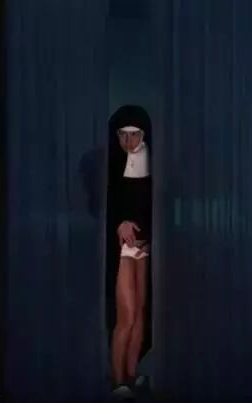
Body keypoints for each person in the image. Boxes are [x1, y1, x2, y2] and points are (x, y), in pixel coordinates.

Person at [107, 106, 153, 398]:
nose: (128, 140)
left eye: (133, 134)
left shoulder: (154, 161)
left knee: (139, 315)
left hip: (146, 247)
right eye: (122, 135)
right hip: (124, 248)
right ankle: (118, 382)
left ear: (143, 135)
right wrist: (119, 223)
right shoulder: (113, 164)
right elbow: (108, 203)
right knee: (125, 317)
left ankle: (132, 374)